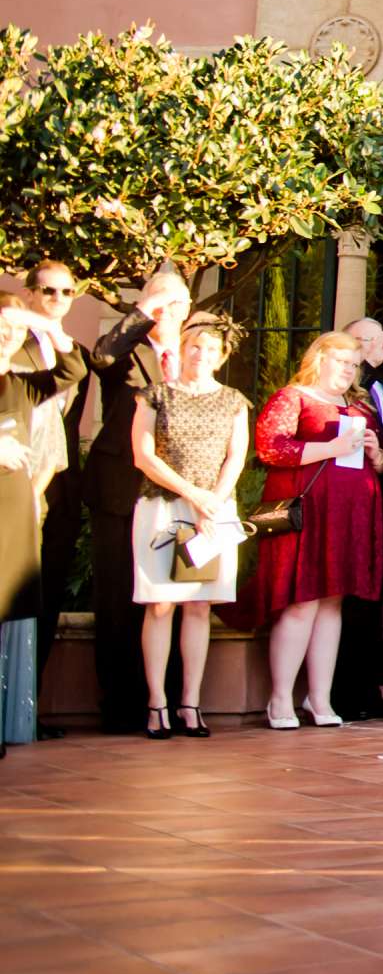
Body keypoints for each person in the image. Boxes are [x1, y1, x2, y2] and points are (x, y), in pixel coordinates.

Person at [253, 332, 383, 729]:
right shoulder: (293, 397)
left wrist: (375, 452)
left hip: (349, 516)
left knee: (332, 604)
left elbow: (379, 464)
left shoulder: (361, 406)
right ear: (320, 358)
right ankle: (280, 701)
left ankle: (320, 699)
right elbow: (270, 447)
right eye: (341, 361)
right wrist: (331, 447)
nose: (348, 370)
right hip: (307, 513)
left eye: (353, 364)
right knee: (302, 602)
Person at [127, 313, 247, 739]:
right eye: (195, 345)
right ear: (182, 348)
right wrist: (192, 495)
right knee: (161, 605)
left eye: (212, 349)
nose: (202, 354)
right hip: (164, 506)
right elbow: (144, 456)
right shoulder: (154, 395)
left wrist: (211, 501)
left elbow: (236, 457)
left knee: (199, 606)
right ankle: (156, 703)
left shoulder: (233, 399)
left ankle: (190, 703)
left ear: (222, 356)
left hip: (213, 511)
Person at [83, 272, 191, 733]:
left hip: (177, 493)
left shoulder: (195, 355)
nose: (170, 308)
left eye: (176, 301)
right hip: (122, 487)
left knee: (169, 599)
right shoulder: (126, 351)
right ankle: (121, 705)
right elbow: (102, 355)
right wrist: (147, 310)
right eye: (160, 300)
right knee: (119, 594)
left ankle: (163, 702)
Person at [0, 292, 87, 758]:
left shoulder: (18, 385)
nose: (6, 341)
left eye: (11, 336)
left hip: (12, 512)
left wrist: (44, 325)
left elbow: (71, 372)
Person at [330, 318, 383, 720]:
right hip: (353, 501)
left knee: (380, 601)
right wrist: (370, 358)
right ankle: (347, 690)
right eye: (366, 341)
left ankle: (370, 687)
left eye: (379, 339)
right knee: (354, 600)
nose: (376, 346)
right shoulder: (351, 387)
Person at [28, 261, 85, 736]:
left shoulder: (76, 353)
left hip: (61, 491)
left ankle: (29, 705)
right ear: (31, 293)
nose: (57, 299)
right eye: (48, 291)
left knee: (44, 599)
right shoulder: (12, 348)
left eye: (67, 292)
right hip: (15, 484)